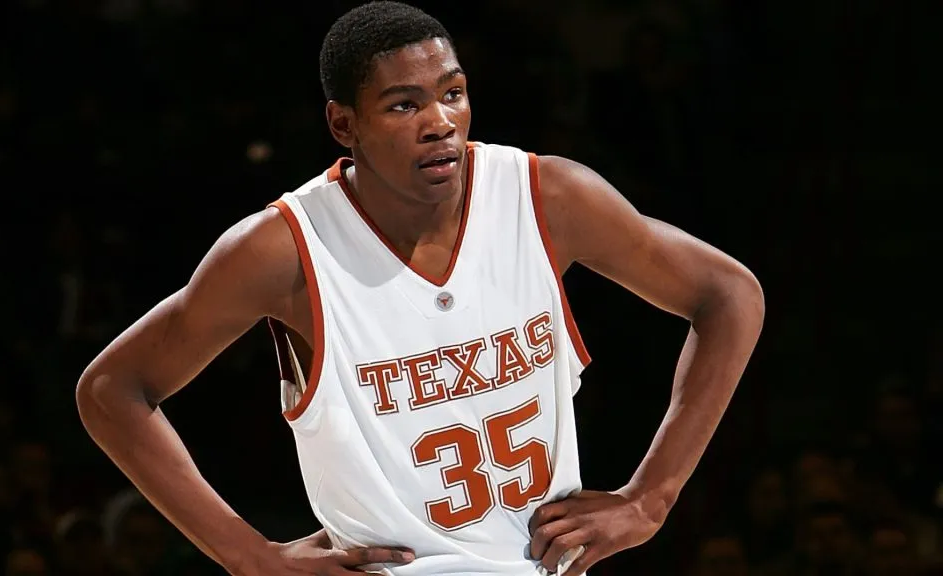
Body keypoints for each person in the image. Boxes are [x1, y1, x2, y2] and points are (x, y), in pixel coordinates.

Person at [75, 2, 765, 575]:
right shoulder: (284, 250)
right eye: (403, 105)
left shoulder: (545, 197)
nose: (439, 121)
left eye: (452, 94)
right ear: (344, 125)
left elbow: (729, 294)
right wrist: (247, 557)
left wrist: (652, 497)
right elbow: (113, 390)